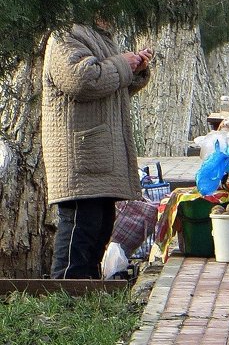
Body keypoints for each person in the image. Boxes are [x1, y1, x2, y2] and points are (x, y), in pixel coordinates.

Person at [42, 21, 153, 279]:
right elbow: (82, 80)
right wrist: (124, 64)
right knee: (81, 227)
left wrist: (134, 69)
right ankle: (67, 291)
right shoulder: (65, 36)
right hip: (79, 154)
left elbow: (110, 85)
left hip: (99, 154)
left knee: (101, 225)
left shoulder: (98, 37)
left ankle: (87, 291)